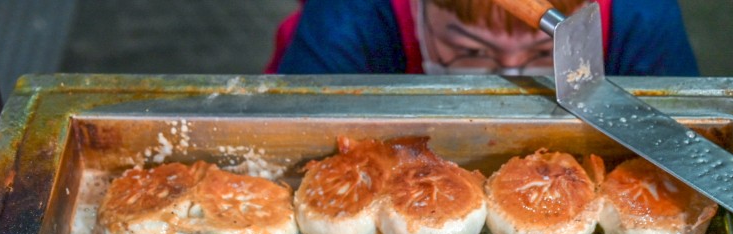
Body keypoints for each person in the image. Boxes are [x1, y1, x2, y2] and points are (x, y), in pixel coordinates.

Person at [267, 0, 699, 77]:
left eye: (541, 50)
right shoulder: (349, 18)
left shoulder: (640, 14)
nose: (510, 72)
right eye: (471, 50)